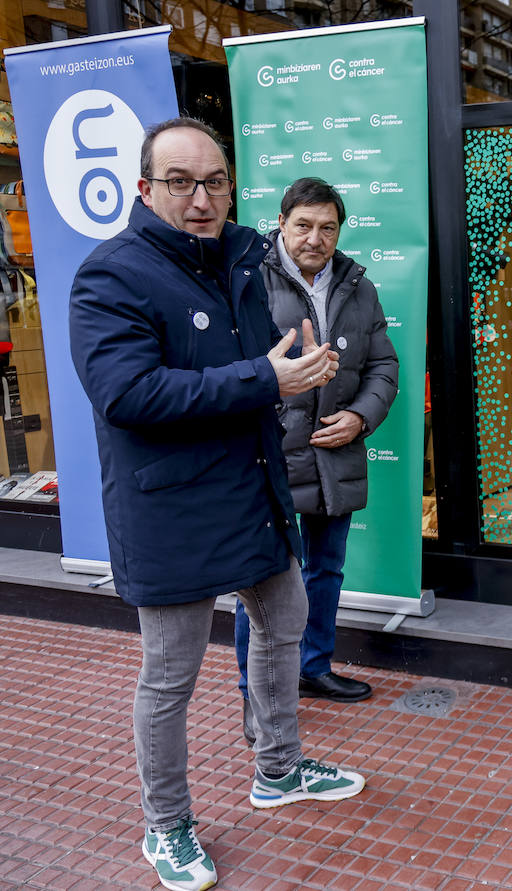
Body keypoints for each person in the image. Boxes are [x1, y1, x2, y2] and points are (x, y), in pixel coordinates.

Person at [69, 119, 367, 891]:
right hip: (169, 511)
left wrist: (299, 370)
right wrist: (269, 380)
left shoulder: (239, 257)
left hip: (253, 491)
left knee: (283, 622)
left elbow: (256, 362)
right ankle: (165, 825)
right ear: (145, 188)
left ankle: (278, 768)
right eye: (180, 182)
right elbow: (127, 394)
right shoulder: (110, 276)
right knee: (170, 677)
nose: (201, 198)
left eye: (215, 182)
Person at [234, 177, 398, 731]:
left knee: (326, 568)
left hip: (336, 451)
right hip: (270, 455)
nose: (315, 238)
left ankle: (313, 667)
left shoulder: (357, 284)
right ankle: (254, 693)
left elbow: (383, 366)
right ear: (281, 224)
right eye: (303, 225)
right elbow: (233, 368)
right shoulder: (248, 279)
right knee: (261, 581)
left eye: (327, 227)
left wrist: (360, 417)